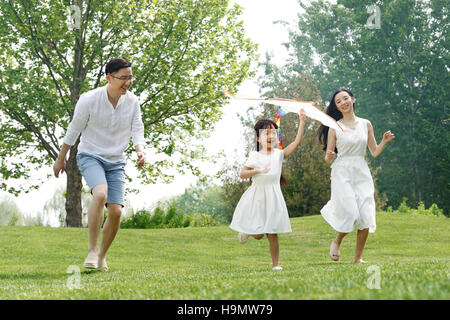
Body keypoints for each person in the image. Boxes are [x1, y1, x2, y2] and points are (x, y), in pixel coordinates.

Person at [53, 58, 146, 271]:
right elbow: (74, 129)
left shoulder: (132, 101)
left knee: (116, 211)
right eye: (123, 78)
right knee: (100, 194)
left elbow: (137, 129)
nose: (128, 82)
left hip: (116, 161)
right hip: (91, 155)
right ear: (109, 78)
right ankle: (92, 250)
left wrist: (140, 150)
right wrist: (61, 157)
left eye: (130, 77)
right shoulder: (89, 99)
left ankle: (102, 256)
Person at [318, 88, 395, 263]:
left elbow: (374, 152)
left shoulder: (365, 124)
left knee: (365, 214)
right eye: (338, 101)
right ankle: (337, 241)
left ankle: (358, 258)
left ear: (353, 99)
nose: (343, 103)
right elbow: (328, 158)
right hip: (342, 171)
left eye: (345, 99)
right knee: (351, 211)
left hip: (361, 170)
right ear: (336, 107)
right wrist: (329, 156)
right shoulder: (334, 127)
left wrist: (384, 141)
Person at [230, 111, 305, 270]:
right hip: (257, 196)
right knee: (258, 235)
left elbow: (297, 142)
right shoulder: (254, 155)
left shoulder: (278, 154)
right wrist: (258, 171)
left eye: (273, 133)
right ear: (258, 138)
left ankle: (275, 265)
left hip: (273, 196)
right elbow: (243, 174)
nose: (270, 136)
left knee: (272, 232)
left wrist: (302, 120)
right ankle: (248, 232)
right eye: (266, 133)